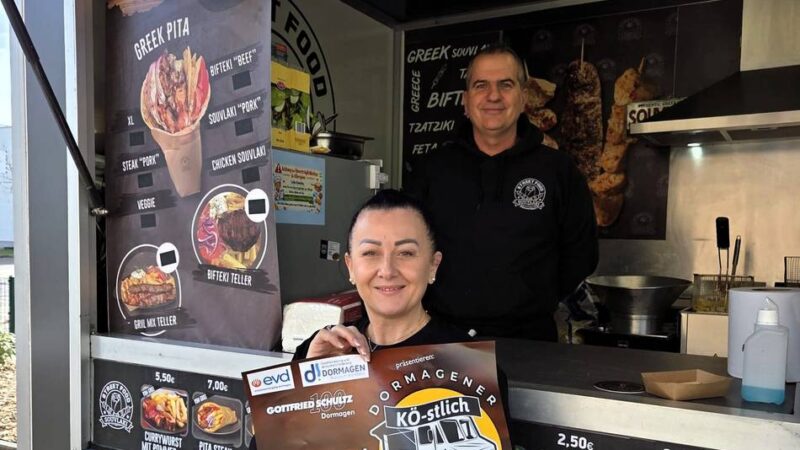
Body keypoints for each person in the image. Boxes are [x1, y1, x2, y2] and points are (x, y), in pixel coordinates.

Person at [250, 190, 501, 450]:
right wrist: (306, 385)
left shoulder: (469, 366)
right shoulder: (319, 351)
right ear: (350, 267)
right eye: (370, 253)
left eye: (406, 253)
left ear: (433, 266)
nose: (387, 270)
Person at [405, 43, 598, 342]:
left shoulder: (559, 170)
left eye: (505, 85)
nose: (493, 96)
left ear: (523, 98)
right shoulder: (431, 170)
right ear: (466, 101)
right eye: (481, 85)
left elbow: (581, 255)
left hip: (530, 343)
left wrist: (528, 297)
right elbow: (406, 249)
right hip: (444, 341)